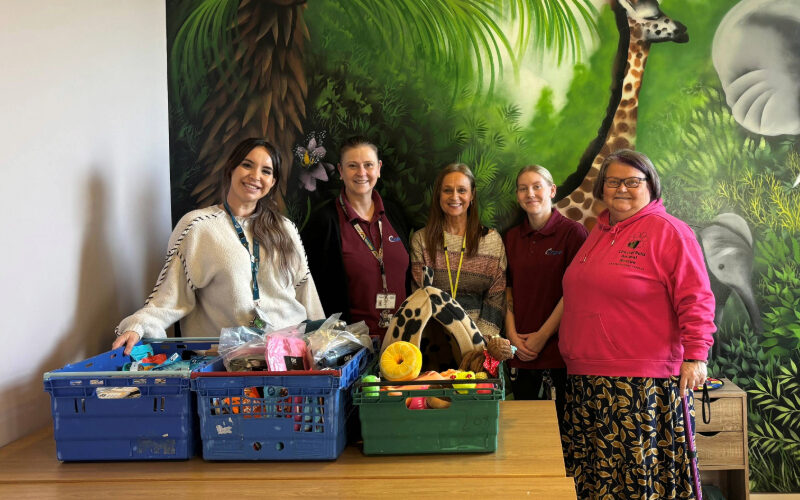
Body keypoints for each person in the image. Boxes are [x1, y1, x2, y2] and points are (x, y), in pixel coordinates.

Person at [559, 149, 715, 498]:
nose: (622, 189)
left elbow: (697, 297)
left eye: (633, 181)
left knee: (638, 481)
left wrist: (696, 355)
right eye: (613, 181)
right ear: (601, 188)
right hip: (589, 379)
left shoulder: (670, 232)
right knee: (598, 480)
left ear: (651, 185)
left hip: (641, 383)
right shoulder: (598, 231)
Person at [113, 138, 324, 355]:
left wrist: (324, 343)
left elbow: (306, 291)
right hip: (227, 367)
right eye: (247, 165)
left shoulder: (285, 228)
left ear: (273, 182)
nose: (255, 176)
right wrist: (138, 326)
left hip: (292, 360)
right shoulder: (198, 226)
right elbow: (169, 295)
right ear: (231, 168)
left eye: (266, 171)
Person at [302, 136, 410, 338]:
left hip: (402, 340)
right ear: (341, 171)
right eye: (352, 166)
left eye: (368, 165)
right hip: (351, 347)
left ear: (378, 168)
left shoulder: (394, 214)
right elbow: (311, 290)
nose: (362, 173)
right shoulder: (324, 222)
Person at [503, 165, 587, 419]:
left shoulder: (573, 233)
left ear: (552, 190)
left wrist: (541, 336)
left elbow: (574, 292)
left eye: (537, 186)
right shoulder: (511, 238)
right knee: (526, 433)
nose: (530, 193)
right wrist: (512, 335)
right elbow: (507, 289)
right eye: (523, 188)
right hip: (520, 352)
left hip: (558, 354)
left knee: (561, 433)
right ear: (517, 196)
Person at [410, 163, 506, 338]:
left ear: (472, 195)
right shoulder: (422, 240)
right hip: (434, 341)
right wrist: (439, 339)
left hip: (480, 339)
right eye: (447, 190)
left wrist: (480, 340)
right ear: (439, 194)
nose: (454, 197)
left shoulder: (491, 240)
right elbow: (419, 297)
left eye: (462, 190)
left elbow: (496, 296)